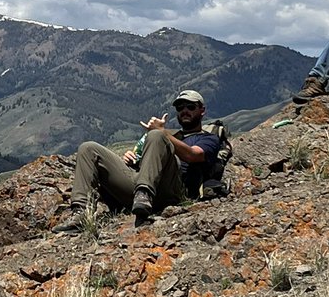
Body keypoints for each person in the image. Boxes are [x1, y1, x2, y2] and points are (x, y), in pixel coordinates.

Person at [54, 90, 222, 231]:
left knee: (155, 135)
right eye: (180, 107)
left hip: (172, 190)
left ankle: (144, 194)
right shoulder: (171, 135)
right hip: (140, 190)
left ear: (202, 111)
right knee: (88, 148)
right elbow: (148, 160)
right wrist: (131, 160)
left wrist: (161, 133)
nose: (185, 111)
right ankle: (80, 214)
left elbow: (193, 155)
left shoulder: (208, 139)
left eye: (191, 107)